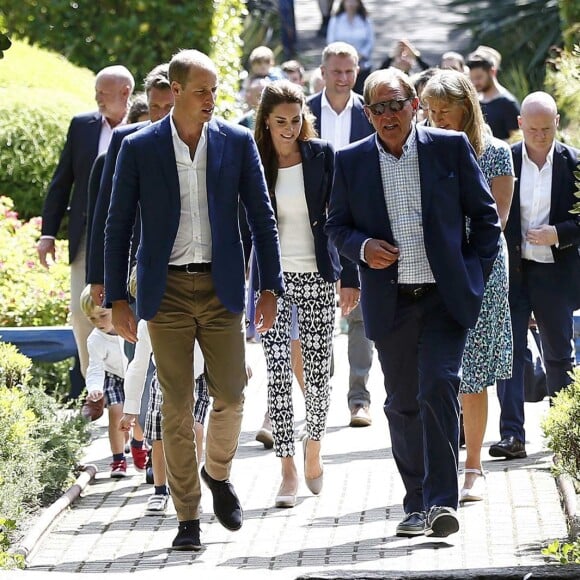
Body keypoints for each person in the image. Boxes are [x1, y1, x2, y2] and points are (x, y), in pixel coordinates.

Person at [104, 49, 283, 551]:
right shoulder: (139, 147)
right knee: (176, 407)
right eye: (202, 89)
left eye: (215, 89)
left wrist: (270, 288)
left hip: (222, 287)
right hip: (166, 294)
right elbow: (117, 225)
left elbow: (262, 218)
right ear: (176, 91)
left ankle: (218, 474)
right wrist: (117, 296)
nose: (212, 98)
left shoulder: (238, 140)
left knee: (231, 393)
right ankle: (188, 517)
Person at [325, 67, 501, 538]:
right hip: (391, 302)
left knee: (439, 387)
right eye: (377, 108)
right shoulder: (350, 161)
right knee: (402, 403)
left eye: (395, 104)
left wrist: (474, 280)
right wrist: (363, 248)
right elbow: (336, 226)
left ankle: (443, 504)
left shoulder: (449, 148)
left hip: (445, 299)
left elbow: (486, 221)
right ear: (367, 113)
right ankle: (417, 500)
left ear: (414, 105)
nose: (387, 115)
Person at [254, 79, 354, 507]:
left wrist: (349, 276)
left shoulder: (322, 156)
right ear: (266, 121)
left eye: (296, 120)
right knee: (276, 373)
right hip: (272, 282)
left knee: (316, 374)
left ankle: (313, 446)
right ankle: (287, 469)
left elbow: (343, 216)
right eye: (281, 121)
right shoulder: (254, 157)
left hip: (317, 274)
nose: (289, 129)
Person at [422, 70, 514, 503]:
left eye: (445, 111)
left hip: (480, 270)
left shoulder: (495, 153)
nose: (436, 119)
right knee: (436, 375)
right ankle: (437, 468)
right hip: (431, 271)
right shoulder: (419, 150)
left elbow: (495, 223)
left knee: (474, 375)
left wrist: (462, 271)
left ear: (467, 109)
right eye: (431, 111)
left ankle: (473, 466)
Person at [491, 91, 580, 459]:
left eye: (547, 128)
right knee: (509, 355)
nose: (541, 135)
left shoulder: (574, 163)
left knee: (559, 354)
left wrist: (557, 233)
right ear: (520, 125)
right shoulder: (506, 160)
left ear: (557, 123)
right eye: (534, 129)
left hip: (555, 275)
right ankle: (513, 436)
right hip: (514, 271)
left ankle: (562, 436)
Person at [37, 65, 134, 382]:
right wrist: (48, 233)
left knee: (129, 308)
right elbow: (61, 180)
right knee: (83, 312)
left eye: (103, 94)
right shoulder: (81, 126)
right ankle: (96, 384)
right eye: (96, 94)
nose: (97, 100)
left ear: (125, 93)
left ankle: (128, 383)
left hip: (132, 235)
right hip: (87, 234)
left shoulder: (145, 126)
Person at [307, 41, 375, 428]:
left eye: (350, 71)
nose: (344, 78)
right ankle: (318, 391)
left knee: (361, 314)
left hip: (359, 221)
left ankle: (359, 397)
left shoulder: (369, 110)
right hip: (314, 223)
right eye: (337, 71)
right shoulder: (304, 111)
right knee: (318, 311)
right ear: (323, 71)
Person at [120, 271, 209, 515]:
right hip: (163, 382)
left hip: (195, 381)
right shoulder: (147, 326)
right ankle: (160, 490)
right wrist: (130, 409)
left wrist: (238, 365)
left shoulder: (197, 314)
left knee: (196, 430)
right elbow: (137, 367)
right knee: (159, 439)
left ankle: (192, 489)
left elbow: (217, 344)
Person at [88, 63, 174, 307]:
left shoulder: (199, 140)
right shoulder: (124, 139)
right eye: (155, 107)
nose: (161, 114)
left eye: (169, 107)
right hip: (135, 264)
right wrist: (98, 276)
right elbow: (106, 210)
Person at [80, 284, 147, 478]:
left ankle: (138, 443)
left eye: (102, 315)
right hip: (113, 376)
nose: (98, 322)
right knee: (116, 412)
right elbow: (95, 366)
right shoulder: (95, 339)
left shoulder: (131, 326)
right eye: (92, 318)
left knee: (138, 412)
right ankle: (118, 459)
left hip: (135, 372)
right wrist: (94, 388)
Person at [466, 48, 520, 141]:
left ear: (492, 72)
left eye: (479, 77)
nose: (475, 83)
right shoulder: (475, 102)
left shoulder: (507, 103)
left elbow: (516, 139)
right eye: (472, 78)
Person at [326, 0, 374, 94]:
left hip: (362, 64)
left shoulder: (365, 19)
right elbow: (330, 41)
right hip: (340, 62)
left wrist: (360, 55)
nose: (351, 4)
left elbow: (370, 41)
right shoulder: (336, 19)